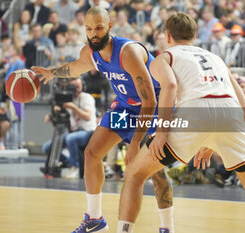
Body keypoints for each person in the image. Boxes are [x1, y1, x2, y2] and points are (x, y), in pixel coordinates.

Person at [117, 12, 245, 233]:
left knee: (135, 174)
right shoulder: (216, 59)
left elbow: (169, 87)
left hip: (194, 112)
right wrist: (210, 142)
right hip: (230, 113)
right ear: (195, 36)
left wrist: (161, 133)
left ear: (167, 36)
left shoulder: (164, 57)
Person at [32, 6, 174, 233]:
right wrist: (52, 72)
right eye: (89, 29)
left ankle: (167, 227)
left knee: (155, 171)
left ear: (109, 26)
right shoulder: (91, 52)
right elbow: (75, 68)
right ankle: (95, 219)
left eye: (99, 27)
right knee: (91, 153)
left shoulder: (128, 53)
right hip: (126, 107)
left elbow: (150, 102)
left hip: (154, 107)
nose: (94, 33)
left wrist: (135, 143)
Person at [42, 78, 96, 178]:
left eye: (78, 86)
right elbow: (53, 115)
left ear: (82, 86)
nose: (76, 89)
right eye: (74, 87)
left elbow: (87, 116)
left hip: (88, 131)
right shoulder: (67, 98)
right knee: (47, 147)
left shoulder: (86, 97)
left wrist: (73, 107)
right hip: (74, 131)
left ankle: (75, 167)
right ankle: (68, 162)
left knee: (70, 138)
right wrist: (53, 113)